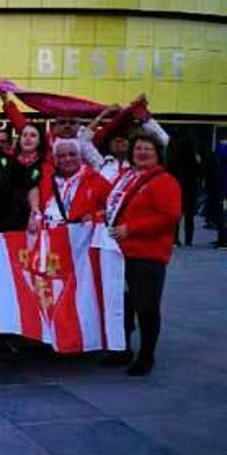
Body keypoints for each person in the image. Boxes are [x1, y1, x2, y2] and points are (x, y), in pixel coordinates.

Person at [104, 132, 181, 376]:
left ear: (158, 153)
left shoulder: (164, 181)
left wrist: (132, 228)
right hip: (121, 252)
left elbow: (169, 216)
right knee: (124, 306)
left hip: (147, 254)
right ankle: (122, 349)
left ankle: (146, 355)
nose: (142, 152)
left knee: (146, 307)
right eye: (138, 148)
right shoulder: (128, 176)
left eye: (148, 148)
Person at [37, 139, 111, 227]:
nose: (68, 159)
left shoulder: (97, 181)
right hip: (50, 235)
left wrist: (95, 217)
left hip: (82, 236)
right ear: (55, 160)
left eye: (72, 154)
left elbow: (112, 210)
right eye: (62, 156)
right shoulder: (45, 181)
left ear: (80, 157)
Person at [168, 138, 200, 246]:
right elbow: (198, 174)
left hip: (177, 189)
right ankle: (189, 239)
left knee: (177, 216)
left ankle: (175, 239)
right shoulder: (193, 160)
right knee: (189, 217)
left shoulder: (174, 160)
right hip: (191, 189)